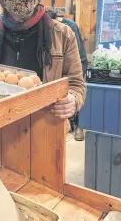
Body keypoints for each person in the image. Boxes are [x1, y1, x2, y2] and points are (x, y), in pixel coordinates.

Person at [0, 0, 86, 121]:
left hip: (45, 124)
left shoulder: (62, 33)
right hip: (1, 123)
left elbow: (76, 84)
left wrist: (72, 100)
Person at [46, 9, 87, 141]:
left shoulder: (68, 27)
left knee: (72, 101)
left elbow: (80, 53)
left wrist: (74, 100)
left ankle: (78, 126)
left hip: (79, 61)